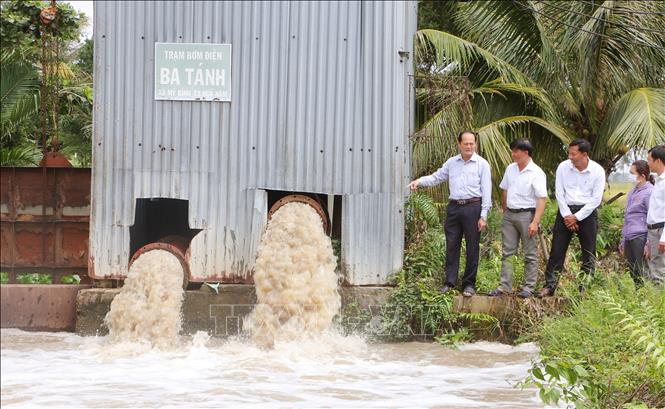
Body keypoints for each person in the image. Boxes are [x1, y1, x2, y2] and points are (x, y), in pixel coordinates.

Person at [408, 131, 491, 297]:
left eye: (472, 143)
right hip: (454, 208)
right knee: (452, 245)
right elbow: (437, 177)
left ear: (475, 144)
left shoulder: (482, 164)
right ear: (459, 144)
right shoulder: (452, 163)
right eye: (466, 143)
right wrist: (419, 181)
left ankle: (469, 284)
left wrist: (483, 215)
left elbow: (487, 191)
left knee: (472, 247)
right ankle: (450, 282)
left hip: (473, 207)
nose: (469, 146)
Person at [540, 139, 605, 297]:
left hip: (587, 213)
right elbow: (559, 193)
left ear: (584, 154)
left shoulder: (597, 171)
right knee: (557, 249)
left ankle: (584, 288)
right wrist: (568, 215)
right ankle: (550, 286)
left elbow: (596, 199)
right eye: (569, 153)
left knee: (588, 252)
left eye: (573, 154)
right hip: (565, 211)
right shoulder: (563, 167)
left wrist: (577, 217)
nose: (570, 157)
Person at [488, 139, 547, 298]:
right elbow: (505, 190)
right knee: (507, 252)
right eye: (512, 151)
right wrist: (505, 210)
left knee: (529, 253)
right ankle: (504, 286)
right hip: (509, 215)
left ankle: (528, 288)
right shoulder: (510, 169)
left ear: (526, 153)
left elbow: (542, 198)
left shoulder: (536, 172)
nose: (513, 154)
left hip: (527, 215)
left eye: (516, 151)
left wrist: (535, 222)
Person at [619, 160, 653, 286]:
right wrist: (623, 240)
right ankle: (639, 298)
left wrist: (648, 244)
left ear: (642, 176)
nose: (629, 176)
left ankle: (647, 300)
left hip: (640, 236)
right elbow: (627, 216)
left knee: (643, 271)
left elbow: (652, 218)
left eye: (632, 173)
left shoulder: (649, 192)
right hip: (629, 236)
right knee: (633, 272)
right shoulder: (632, 192)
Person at [646, 145, 665, 284]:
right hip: (653, 229)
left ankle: (659, 302)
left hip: (661, 229)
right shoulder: (658, 181)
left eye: (649, 160)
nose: (648, 163)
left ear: (658, 161)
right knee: (654, 267)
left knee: (659, 270)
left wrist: (664, 238)